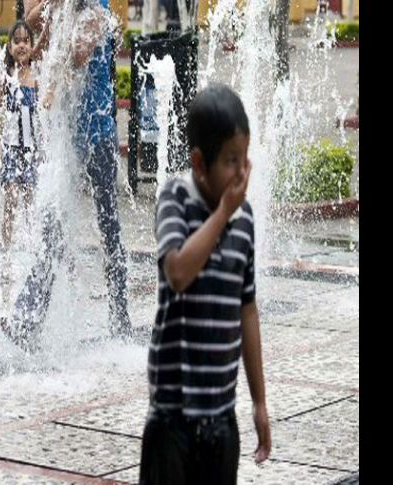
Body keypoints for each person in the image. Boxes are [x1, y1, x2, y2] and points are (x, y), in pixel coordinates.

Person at [138, 84, 271, 484]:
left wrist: (259, 402)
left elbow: (247, 309)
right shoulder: (175, 198)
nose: (241, 173)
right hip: (173, 418)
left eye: (244, 159)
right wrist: (222, 215)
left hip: (221, 416)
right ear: (199, 162)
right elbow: (177, 273)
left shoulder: (244, 219)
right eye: (231, 161)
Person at [1, 0, 132, 350]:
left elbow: (77, 54)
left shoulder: (96, 13)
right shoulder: (69, 11)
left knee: (109, 229)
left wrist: (62, 20)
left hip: (99, 138)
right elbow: (37, 53)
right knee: (52, 226)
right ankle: (27, 319)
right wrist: (50, 20)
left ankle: (120, 316)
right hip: (72, 139)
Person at [0, 20, 40, 252]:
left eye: (26, 40)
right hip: (11, 147)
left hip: (31, 149)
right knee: (11, 195)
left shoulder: (36, 77)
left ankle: (32, 244)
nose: (22, 45)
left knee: (30, 197)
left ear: (32, 46)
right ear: (10, 47)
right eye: (17, 41)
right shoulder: (7, 78)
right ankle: (6, 245)